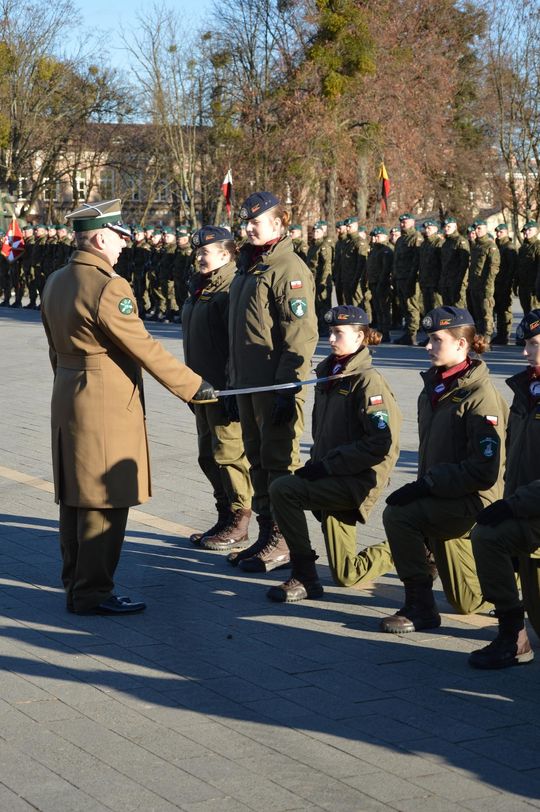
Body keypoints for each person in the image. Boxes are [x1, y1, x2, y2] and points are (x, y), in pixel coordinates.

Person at [40, 199, 213, 615]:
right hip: (104, 404)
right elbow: (145, 348)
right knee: (105, 499)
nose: (123, 245)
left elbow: (53, 349)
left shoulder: (56, 280)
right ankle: (93, 593)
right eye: (119, 237)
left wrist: (70, 384)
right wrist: (195, 387)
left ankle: (75, 585)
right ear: (100, 238)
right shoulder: (108, 287)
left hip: (68, 395)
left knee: (75, 498)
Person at [380, 306, 508, 633]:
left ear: (462, 344)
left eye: (437, 340)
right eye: (428, 339)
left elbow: (484, 471)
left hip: (474, 500)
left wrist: (427, 486)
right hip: (445, 493)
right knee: (466, 602)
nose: (427, 346)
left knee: (399, 516)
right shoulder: (435, 388)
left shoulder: (480, 397)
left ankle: (421, 607)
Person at [267, 306, 402, 602]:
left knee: (283, 490)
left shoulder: (367, 380)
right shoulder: (332, 373)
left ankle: (305, 575)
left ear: (360, 337)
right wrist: (317, 465)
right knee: (346, 574)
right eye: (330, 332)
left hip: (352, 481)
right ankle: (415, 547)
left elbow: (380, 443)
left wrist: (326, 468)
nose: (330, 339)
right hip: (332, 473)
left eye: (339, 333)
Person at [227, 191, 318, 572]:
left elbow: (300, 334)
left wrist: (287, 386)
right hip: (248, 385)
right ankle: (267, 534)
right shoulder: (250, 266)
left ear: (279, 224)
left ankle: (285, 541)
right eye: (246, 222)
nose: (249, 228)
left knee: (279, 463)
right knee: (257, 460)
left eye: (256, 222)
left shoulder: (287, 268)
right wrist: (233, 382)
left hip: (274, 386)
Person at [469, 310, 540, 668]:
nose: (525, 352)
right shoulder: (527, 389)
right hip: (528, 507)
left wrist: (513, 506)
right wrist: (509, 502)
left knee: (488, 536)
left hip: (532, 508)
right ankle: (514, 634)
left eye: (535, 344)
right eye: (526, 343)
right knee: (488, 534)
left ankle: (516, 636)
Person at [182, 225, 252, 551]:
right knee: (207, 456)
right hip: (201, 388)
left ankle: (240, 520)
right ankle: (224, 515)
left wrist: (233, 388)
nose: (199, 257)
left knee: (228, 455)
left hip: (222, 390)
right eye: (197, 252)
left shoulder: (230, 288)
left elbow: (238, 344)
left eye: (205, 252)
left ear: (225, 255)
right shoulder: (202, 285)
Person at [467, 219, 500, 343]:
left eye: (479, 228)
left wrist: (488, 286)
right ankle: (479, 338)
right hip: (474, 285)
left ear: (486, 229)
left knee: (486, 313)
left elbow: (493, 268)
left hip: (485, 286)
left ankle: (487, 338)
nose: (477, 231)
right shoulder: (476, 246)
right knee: (477, 313)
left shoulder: (490, 246)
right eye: (475, 228)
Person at [392, 212, 422, 345]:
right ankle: (407, 331)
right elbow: (396, 260)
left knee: (411, 306)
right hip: (400, 277)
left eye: (405, 221)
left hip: (410, 277)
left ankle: (412, 333)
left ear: (413, 222)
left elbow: (417, 260)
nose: (402, 224)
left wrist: (412, 276)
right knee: (403, 305)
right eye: (401, 222)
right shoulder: (400, 240)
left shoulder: (416, 237)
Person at [365, 226, 393, 342]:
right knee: (377, 308)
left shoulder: (386, 250)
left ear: (384, 237)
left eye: (377, 236)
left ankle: (385, 332)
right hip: (373, 282)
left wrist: (381, 283)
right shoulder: (374, 250)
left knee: (384, 308)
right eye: (373, 237)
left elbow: (386, 269)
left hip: (382, 283)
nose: (374, 239)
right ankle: (380, 330)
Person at [492, 223, 518, 345]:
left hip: (504, 283)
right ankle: (500, 334)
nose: (498, 234)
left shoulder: (509, 247)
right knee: (498, 309)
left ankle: (505, 335)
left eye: (501, 232)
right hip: (496, 283)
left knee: (504, 310)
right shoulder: (498, 246)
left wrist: (508, 283)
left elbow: (512, 267)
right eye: (497, 232)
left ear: (506, 232)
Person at [306, 220, 333, 333]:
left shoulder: (324, 246)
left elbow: (327, 265)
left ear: (323, 232)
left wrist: (323, 281)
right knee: (316, 304)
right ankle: (318, 327)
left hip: (321, 280)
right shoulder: (313, 246)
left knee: (323, 304)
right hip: (312, 279)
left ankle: (326, 328)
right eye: (314, 231)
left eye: (318, 231)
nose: (315, 233)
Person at [439, 216, 469, 307]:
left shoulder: (460, 241)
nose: (446, 228)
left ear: (455, 227)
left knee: (458, 309)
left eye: (449, 226)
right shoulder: (446, 243)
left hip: (457, 282)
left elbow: (464, 264)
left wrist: (460, 282)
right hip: (446, 282)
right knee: (447, 309)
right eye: (445, 227)